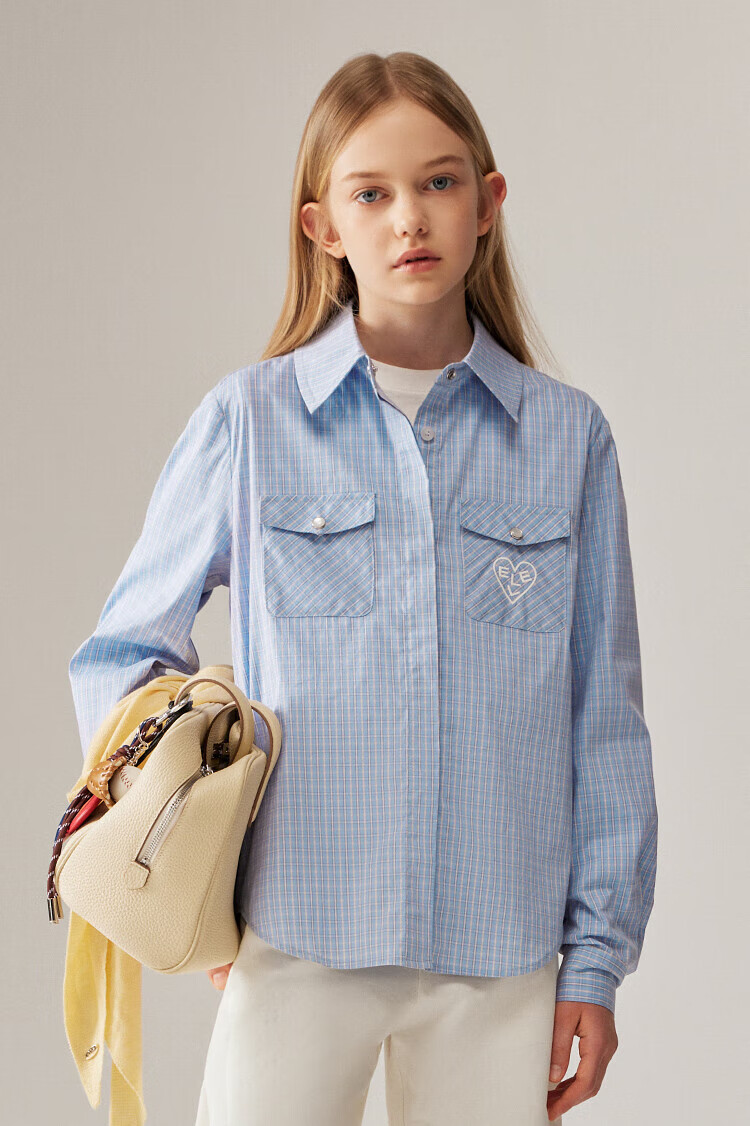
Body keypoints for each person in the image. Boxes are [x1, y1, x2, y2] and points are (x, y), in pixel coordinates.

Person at [69, 50, 658, 1126]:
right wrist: (195, 888)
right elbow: (122, 657)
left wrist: (595, 964)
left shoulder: (569, 440)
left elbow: (605, 720)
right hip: (298, 936)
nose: (410, 219)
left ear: (488, 203)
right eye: (371, 193)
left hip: (500, 952)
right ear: (323, 226)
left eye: (438, 182)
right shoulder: (250, 422)